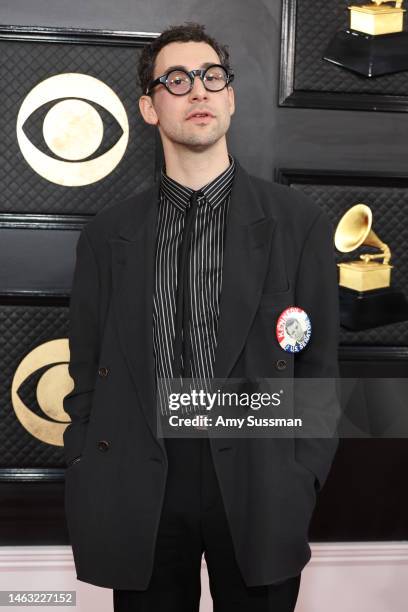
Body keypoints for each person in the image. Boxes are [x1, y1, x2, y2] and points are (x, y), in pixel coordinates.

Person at [63, 21, 341, 612]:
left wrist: (300, 476)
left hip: (259, 480)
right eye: (178, 79)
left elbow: (318, 369)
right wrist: (86, 462)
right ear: (148, 106)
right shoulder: (107, 236)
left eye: (213, 77)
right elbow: (85, 375)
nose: (199, 91)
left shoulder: (298, 224)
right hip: (142, 482)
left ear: (232, 98)